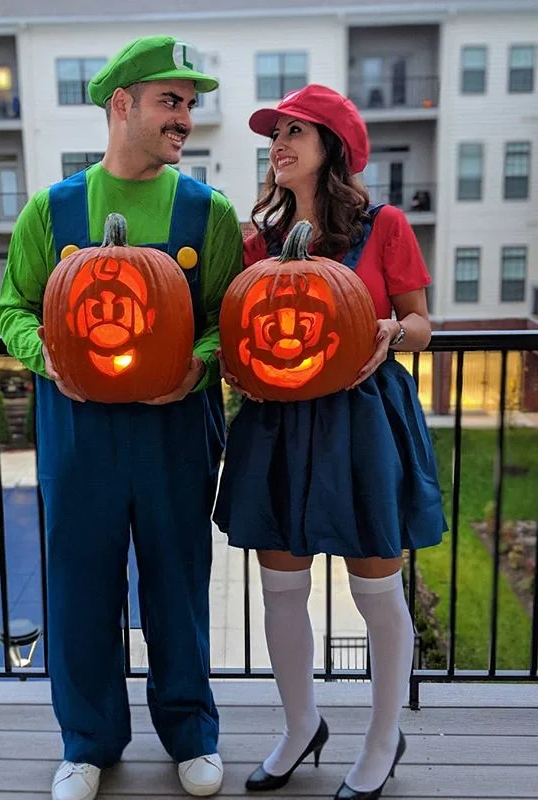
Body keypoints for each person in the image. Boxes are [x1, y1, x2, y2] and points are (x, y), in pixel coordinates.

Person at [0, 35, 242, 800]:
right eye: (171, 101)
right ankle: (88, 743)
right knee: (80, 589)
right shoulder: (52, 210)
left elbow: (229, 319)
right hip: (80, 432)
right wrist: (48, 356)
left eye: (189, 105)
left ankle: (191, 734)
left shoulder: (210, 213)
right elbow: (13, 308)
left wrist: (200, 362)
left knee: (178, 584)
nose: (185, 118)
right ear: (121, 105)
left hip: (175, 431)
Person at [214, 84, 446, 799]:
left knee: (375, 588)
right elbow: (239, 329)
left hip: (361, 421)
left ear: (332, 148)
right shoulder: (258, 241)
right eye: (274, 135)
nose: (278, 145)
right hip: (279, 423)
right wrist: (236, 369)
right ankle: (300, 726)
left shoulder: (385, 227)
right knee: (281, 587)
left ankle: (382, 738)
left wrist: (391, 330)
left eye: (295, 132)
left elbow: (420, 323)